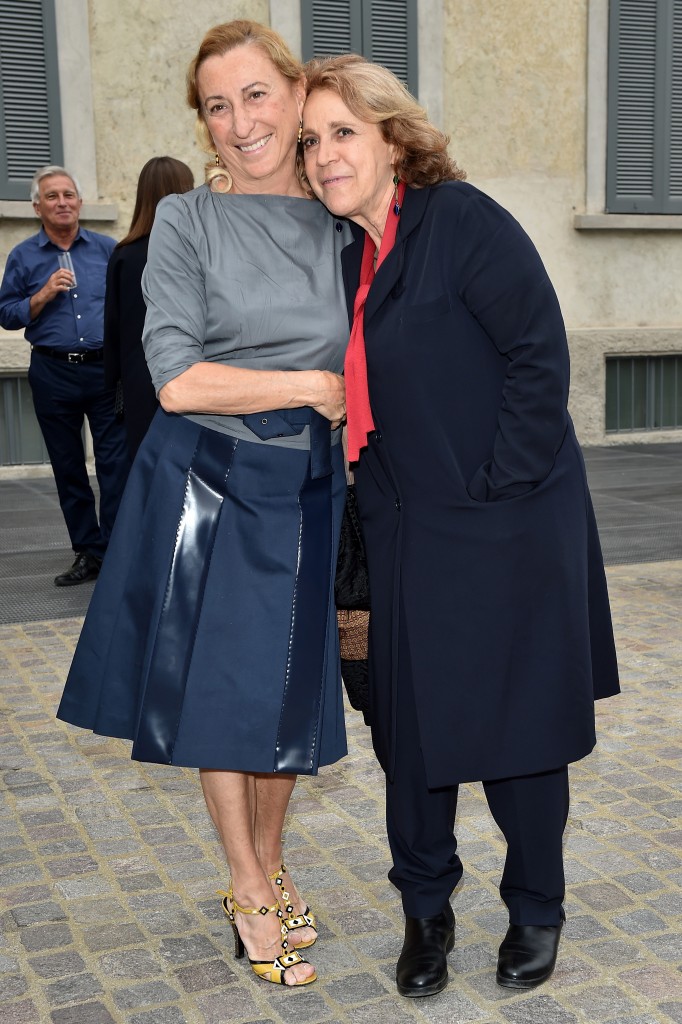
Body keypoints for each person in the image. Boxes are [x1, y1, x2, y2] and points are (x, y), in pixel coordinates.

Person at [302, 55, 620, 998]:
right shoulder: (349, 252)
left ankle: (536, 911)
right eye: (312, 140)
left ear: (395, 139)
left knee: (519, 730)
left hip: (504, 526)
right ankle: (425, 914)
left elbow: (538, 355)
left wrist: (496, 490)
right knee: (414, 736)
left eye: (344, 133)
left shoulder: (463, 222)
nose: (324, 156)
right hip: (403, 533)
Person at [57, 20, 353, 988]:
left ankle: (271, 862)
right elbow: (177, 379)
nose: (240, 122)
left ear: (295, 93)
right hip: (209, 484)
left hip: (309, 488)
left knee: (285, 694)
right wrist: (309, 387)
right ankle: (246, 885)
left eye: (256, 95)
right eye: (217, 106)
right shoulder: (186, 220)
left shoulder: (338, 214)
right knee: (221, 700)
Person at [0, 166, 130, 586]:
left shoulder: (107, 249)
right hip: (53, 371)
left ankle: (113, 549)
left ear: (79, 202)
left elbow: (130, 306)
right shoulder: (23, 255)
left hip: (103, 370)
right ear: (37, 206)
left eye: (69, 195)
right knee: (68, 466)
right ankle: (87, 552)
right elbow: (6, 314)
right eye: (53, 196)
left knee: (114, 465)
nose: (62, 203)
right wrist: (40, 296)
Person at [103, 156, 195, 459]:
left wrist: (115, 383)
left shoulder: (124, 255)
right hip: (190, 375)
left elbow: (113, 330)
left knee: (145, 472)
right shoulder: (194, 250)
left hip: (138, 381)